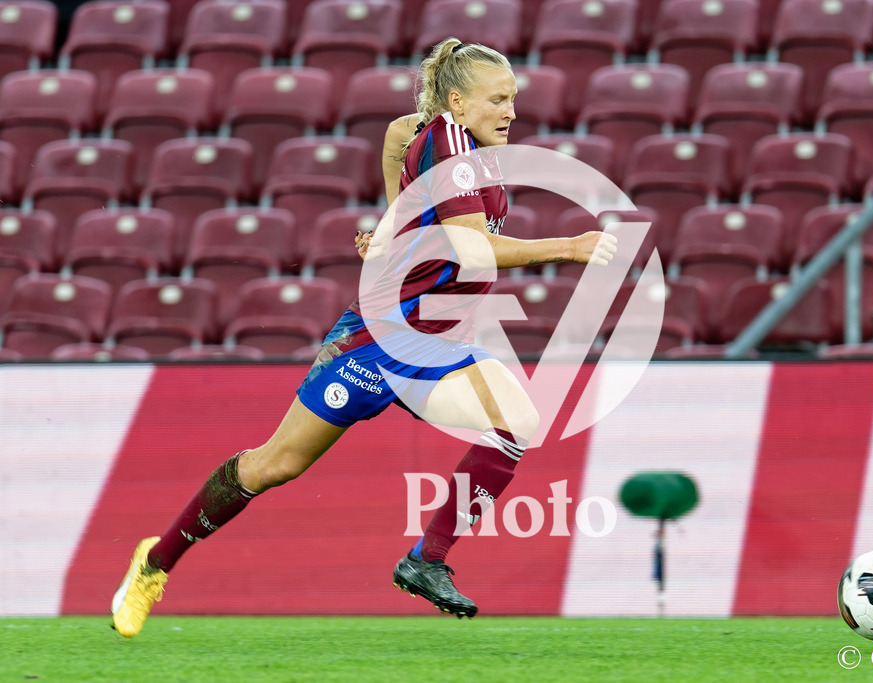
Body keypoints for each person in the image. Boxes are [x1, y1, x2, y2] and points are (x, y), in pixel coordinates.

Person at [110, 38, 617, 637]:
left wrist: (390, 228)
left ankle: (425, 562)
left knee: (516, 420)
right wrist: (569, 246)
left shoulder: (456, 145)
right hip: (377, 338)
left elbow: (395, 139)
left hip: (435, 343)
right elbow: (475, 249)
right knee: (274, 466)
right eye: (497, 99)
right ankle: (153, 562)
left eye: (514, 98)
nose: (511, 110)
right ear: (458, 100)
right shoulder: (451, 143)